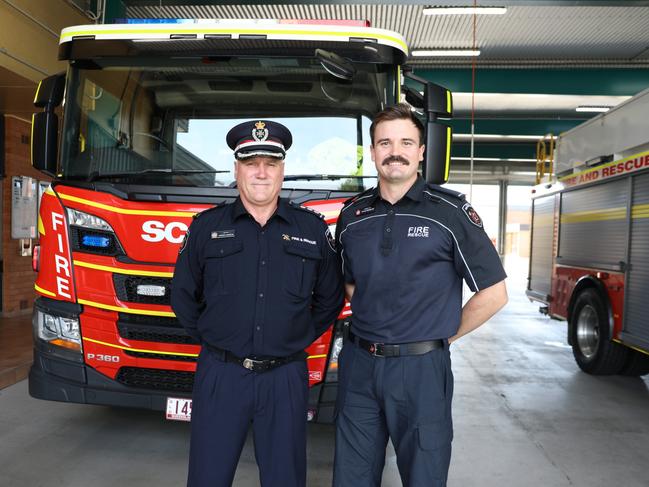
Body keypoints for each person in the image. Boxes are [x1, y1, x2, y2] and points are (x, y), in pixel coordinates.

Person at [332, 104, 508, 486]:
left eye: (406, 142)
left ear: (421, 151)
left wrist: (443, 337)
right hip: (359, 365)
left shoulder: (451, 212)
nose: (395, 150)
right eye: (385, 142)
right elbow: (350, 282)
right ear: (373, 151)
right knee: (350, 476)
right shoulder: (352, 214)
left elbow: (494, 293)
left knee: (423, 475)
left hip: (421, 370)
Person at [171, 119, 344, 487]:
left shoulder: (311, 229)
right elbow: (183, 296)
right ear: (237, 169)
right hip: (222, 373)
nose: (261, 173)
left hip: (285, 377)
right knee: (208, 476)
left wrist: (296, 337)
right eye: (251, 163)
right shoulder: (205, 227)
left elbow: (329, 298)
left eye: (271, 163)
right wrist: (215, 339)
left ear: (283, 170)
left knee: (285, 478)